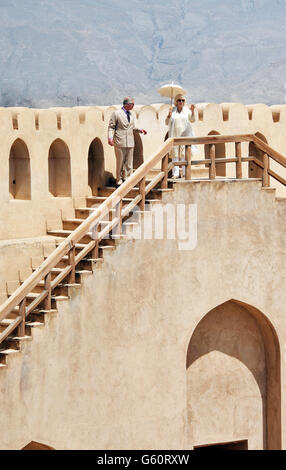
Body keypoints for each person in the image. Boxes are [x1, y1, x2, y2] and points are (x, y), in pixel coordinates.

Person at [108, 97, 147, 186]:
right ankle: (119, 179)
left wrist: (141, 130)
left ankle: (128, 179)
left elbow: (133, 126)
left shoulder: (132, 115)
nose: (133, 106)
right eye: (132, 104)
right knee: (120, 162)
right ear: (126, 104)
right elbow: (111, 127)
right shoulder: (116, 114)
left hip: (130, 141)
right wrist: (110, 138)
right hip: (119, 141)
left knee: (129, 163)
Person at [165, 94, 198, 178]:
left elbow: (192, 120)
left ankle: (184, 173)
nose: (181, 102)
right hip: (174, 135)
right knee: (175, 155)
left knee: (184, 155)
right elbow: (166, 122)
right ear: (176, 101)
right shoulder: (172, 111)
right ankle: (175, 174)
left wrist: (193, 111)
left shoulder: (187, 111)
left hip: (185, 135)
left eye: (183, 100)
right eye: (179, 100)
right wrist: (169, 115)